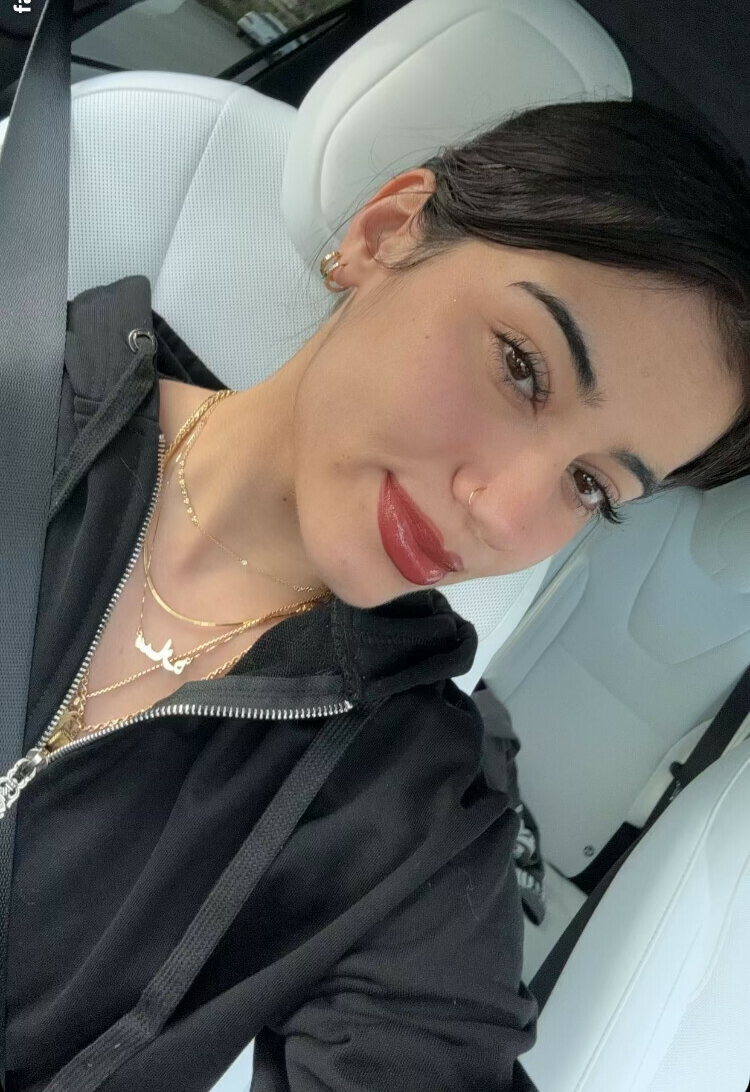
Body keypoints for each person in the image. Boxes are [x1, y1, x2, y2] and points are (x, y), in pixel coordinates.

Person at [2, 98, 749, 1092]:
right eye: (521, 367)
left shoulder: (415, 813)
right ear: (382, 233)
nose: (503, 512)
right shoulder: (27, 394)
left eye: (590, 486)